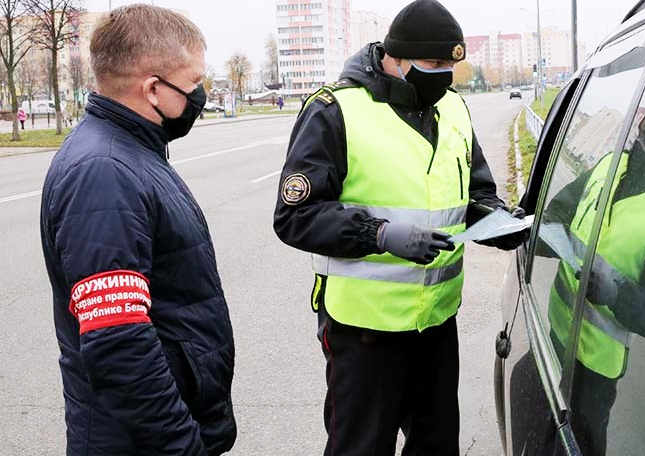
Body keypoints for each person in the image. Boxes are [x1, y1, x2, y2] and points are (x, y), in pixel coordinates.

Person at [273, 0, 527, 454]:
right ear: (396, 56)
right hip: (363, 331)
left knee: (436, 444)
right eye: (433, 64)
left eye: (449, 65)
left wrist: (498, 221)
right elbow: (295, 215)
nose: (443, 76)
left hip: (435, 322)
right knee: (362, 446)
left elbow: (475, 194)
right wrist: (379, 234)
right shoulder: (335, 111)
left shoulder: (453, 109)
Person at [39, 5, 236, 455]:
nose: (200, 95)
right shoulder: (104, 171)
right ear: (152, 89)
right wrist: (182, 445)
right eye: (192, 84)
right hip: (139, 442)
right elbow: (118, 340)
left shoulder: (132, 152)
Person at [540, 99, 645, 456]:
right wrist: (530, 233)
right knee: (544, 436)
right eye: (639, 136)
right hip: (556, 337)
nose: (639, 147)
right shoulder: (608, 165)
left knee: (582, 447)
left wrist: (615, 295)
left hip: (597, 373)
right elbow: (557, 213)